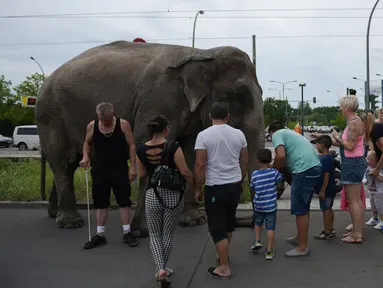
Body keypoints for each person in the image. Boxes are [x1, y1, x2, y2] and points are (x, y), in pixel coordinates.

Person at [136, 115, 195, 284]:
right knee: (167, 233)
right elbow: (184, 171)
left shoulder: (140, 149)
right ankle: (164, 268)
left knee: (154, 234)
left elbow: (141, 174)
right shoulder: (173, 146)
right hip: (173, 195)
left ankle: (160, 269)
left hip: (152, 194)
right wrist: (195, 184)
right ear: (166, 129)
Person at [194, 102, 248, 280]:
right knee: (229, 223)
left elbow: (200, 164)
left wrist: (198, 188)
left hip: (215, 187)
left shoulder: (203, 136)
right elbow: (244, 161)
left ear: (210, 117)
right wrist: (240, 180)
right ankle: (222, 254)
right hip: (233, 185)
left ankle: (224, 267)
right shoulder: (239, 134)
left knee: (217, 228)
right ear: (227, 117)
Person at [80, 102, 138, 249]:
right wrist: (85, 156)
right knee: (101, 202)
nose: (105, 122)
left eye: (107, 120)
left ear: (113, 114)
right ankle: (100, 235)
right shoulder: (92, 126)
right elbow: (87, 143)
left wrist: (133, 167)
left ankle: (127, 232)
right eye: (102, 120)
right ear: (98, 116)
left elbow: (131, 145)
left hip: (119, 167)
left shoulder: (123, 124)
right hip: (100, 169)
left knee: (124, 201)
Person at [313, 96, 367, 243]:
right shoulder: (355, 122)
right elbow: (351, 145)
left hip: (352, 163)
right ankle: (358, 231)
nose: (340, 109)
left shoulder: (353, 124)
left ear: (348, 107)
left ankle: (357, 234)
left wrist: (337, 138)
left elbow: (349, 146)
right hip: (355, 161)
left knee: (353, 200)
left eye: (342, 106)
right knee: (356, 200)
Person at [269, 120, 322, 257]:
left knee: (300, 210)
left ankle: (302, 247)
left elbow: (280, 156)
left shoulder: (277, 134)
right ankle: (300, 238)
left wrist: (274, 169)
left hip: (303, 170)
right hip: (315, 167)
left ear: (271, 132)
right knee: (304, 207)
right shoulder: (291, 133)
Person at [249, 148, 283, 260]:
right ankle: (269, 251)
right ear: (270, 160)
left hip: (258, 205)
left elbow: (252, 187)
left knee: (258, 223)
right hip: (271, 206)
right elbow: (280, 182)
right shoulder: (274, 172)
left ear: (257, 160)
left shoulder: (255, 174)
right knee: (270, 228)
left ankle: (257, 240)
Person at [313, 135, 336, 240]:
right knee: (329, 208)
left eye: (317, 145)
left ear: (322, 145)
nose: (316, 147)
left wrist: (322, 190)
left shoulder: (325, 159)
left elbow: (326, 175)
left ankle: (327, 231)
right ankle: (330, 229)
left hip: (326, 190)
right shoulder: (328, 157)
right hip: (331, 188)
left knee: (326, 209)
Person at [365, 151, 383, 230]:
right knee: (373, 206)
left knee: (380, 207)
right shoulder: (368, 168)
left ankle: (382, 221)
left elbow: (381, 178)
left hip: (379, 192)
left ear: (375, 161)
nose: (366, 160)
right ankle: (375, 218)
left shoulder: (379, 169)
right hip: (372, 191)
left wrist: (376, 174)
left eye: (368, 159)